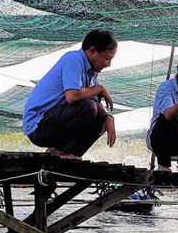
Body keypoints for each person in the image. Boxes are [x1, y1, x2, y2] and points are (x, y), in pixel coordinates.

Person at [23, 29, 117, 159]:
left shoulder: (91, 73)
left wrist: (108, 118)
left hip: (55, 122)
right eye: (107, 58)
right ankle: (59, 149)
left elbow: (95, 102)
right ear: (92, 51)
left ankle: (70, 153)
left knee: (100, 116)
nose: (108, 64)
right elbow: (72, 96)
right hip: (39, 126)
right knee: (88, 107)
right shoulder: (73, 59)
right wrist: (100, 89)